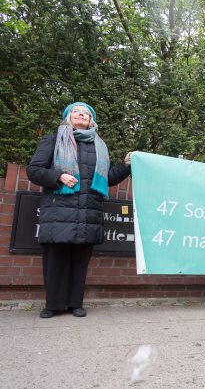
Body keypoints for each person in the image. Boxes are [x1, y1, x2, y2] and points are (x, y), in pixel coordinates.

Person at [26, 102, 132, 318]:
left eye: (86, 113)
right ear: (68, 117)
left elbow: (107, 179)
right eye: (76, 111)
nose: (82, 114)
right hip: (59, 212)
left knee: (80, 260)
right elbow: (34, 170)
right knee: (56, 260)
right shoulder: (53, 139)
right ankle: (53, 305)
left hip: (88, 212)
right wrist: (58, 176)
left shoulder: (99, 146)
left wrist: (126, 165)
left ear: (91, 120)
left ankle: (75, 303)